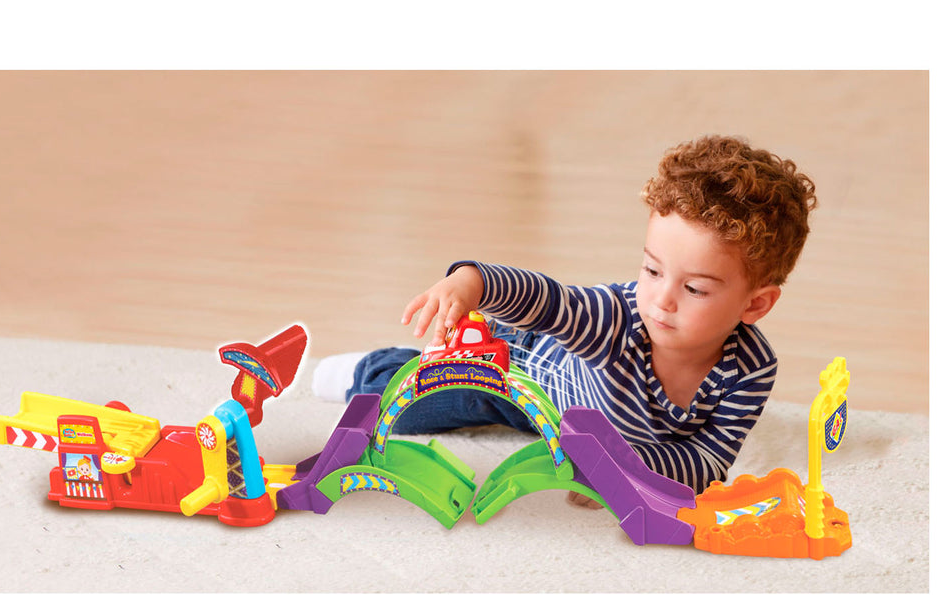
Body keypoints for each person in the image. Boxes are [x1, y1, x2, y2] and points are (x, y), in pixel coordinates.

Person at [312, 135, 817, 495]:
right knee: (418, 406)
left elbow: (708, 461)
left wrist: (619, 469)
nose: (662, 299)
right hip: (522, 370)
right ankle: (368, 369)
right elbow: (551, 302)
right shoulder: (617, 320)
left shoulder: (750, 369)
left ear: (755, 304)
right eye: (652, 270)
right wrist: (472, 282)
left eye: (694, 289)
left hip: (576, 427)